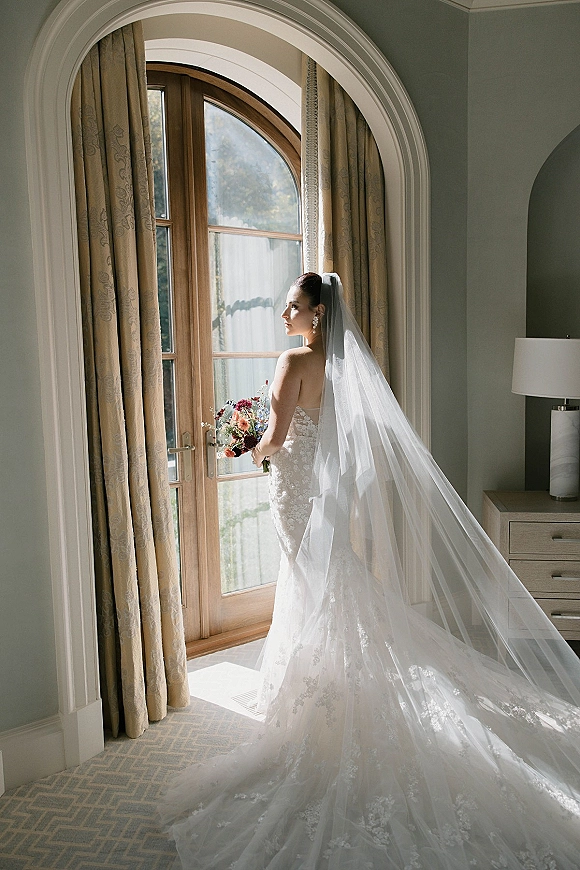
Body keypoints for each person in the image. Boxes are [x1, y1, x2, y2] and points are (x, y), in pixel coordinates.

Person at [160, 273, 580, 869]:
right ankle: (314, 677)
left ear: (318, 315)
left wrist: (246, 442)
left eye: (293, 307)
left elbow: (277, 439)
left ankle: (312, 687)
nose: (284, 316)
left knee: (308, 584)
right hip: (324, 501)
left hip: (297, 495)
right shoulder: (347, 368)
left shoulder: (293, 361)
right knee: (328, 582)